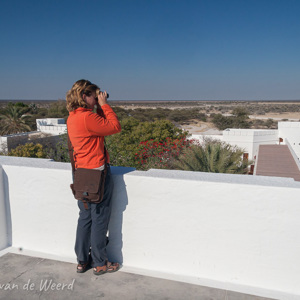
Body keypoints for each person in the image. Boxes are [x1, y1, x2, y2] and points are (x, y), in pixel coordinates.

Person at [66, 79, 121, 275]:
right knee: (99, 219)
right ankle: (100, 263)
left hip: (81, 173)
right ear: (84, 96)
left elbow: (98, 128)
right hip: (97, 174)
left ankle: (82, 261)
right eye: (94, 95)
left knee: (85, 218)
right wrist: (104, 105)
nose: (97, 98)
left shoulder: (73, 117)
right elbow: (114, 127)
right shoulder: (88, 118)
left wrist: (96, 106)